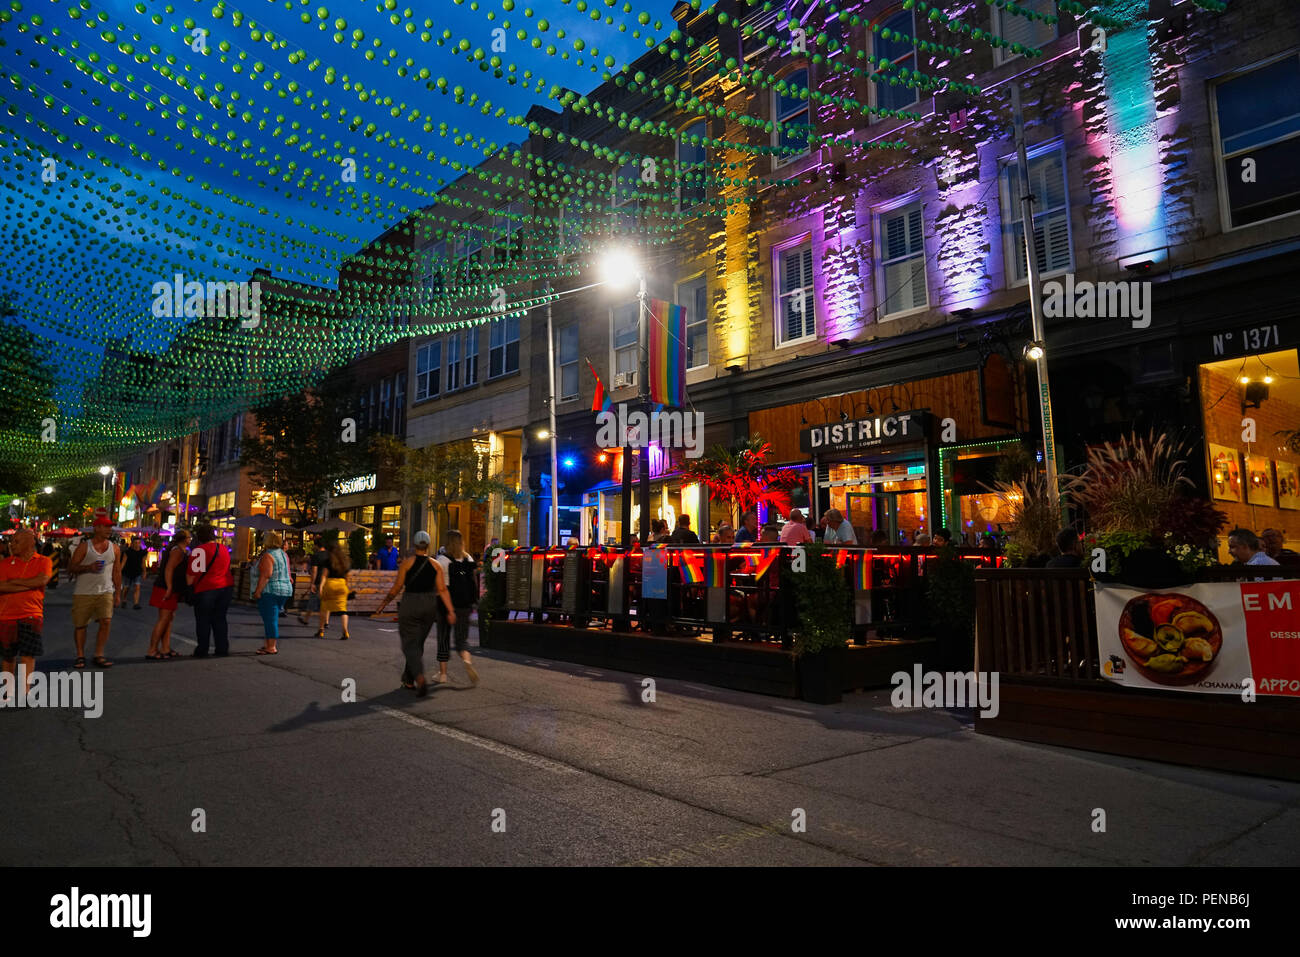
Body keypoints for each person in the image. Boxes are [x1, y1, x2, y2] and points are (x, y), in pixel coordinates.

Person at [375, 530, 455, 697]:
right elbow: (442, 590)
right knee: (417, 643)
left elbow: (396, 588)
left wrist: (383, 604)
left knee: (409, 643)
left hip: (410, 603)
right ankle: (408, 680)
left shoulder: (407, 563)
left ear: (414, 544)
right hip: (429, 605)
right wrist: (450, 610)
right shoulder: (436, 565)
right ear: (428, 545)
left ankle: (419, 677)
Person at [0, 528, 53, 701]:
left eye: (16, 541)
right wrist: (29, 584)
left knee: (28, 654)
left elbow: (42, 580)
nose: (11, 545)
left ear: (30, 542)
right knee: (8, 655)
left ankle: (25, 690)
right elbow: (1, 586)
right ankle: (8, 690)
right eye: (12, 541)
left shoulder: (44, 561)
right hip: (6, 615)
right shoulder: (4, 563)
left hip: (32, 613)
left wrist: (13, 582)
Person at [68, 516, 121, 669]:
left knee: (106, 621)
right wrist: (88, 567)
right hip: (83, 592)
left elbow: (117, 571)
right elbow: (72, 567)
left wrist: (117, 593)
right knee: (81, 625)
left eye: (110, 527)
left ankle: (99, 654)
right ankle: (80, 655)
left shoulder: (114, 548)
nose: (109, 530)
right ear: (96, 528)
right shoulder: (85, 547)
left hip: (105, 591)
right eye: (106, 527)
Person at [435, 530, 480, 686]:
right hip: (465, 604)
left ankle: (443, 674)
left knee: (443, 638)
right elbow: (474, 579)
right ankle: (467, 660)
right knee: (462, 639)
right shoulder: (468, 558)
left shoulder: (442, 560)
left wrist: (449, 610)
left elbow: (442, 587)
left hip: (446, 605)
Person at [187, 525, 234, 658]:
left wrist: (189, 588)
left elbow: (193, 575)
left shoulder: (200, 551)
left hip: (206, 588)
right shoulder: (223, 548)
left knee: (203, 620)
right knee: (220, 618)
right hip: (225, 588)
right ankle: (222, 648)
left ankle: (202, 649)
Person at [146, 529, 190, 659]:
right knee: (164, 619)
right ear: (184, 539)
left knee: (168, 619)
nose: (190, 539)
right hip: (166, 588)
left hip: (170, 588)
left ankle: (165, 648)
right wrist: (169, 586)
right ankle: (152, 649)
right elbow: (169, 569)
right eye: (189, 537)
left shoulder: (177, 550)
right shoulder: (177, 551)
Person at [250, 531, 294, 655]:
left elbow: (266, 575)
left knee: (270, 619)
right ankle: (267, 644)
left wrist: (258, 591)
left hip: (271, 590)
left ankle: (271, 647)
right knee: (271, 618)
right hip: (285, 590)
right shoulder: (284, 555)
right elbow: (288, 573)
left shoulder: (268, 556)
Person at [314, 541, 352, 639]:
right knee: (343, 610)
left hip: (330, 584)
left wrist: (321, 587)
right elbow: (348, 576)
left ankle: (321, 630)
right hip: (342, 585)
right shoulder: (345, 560)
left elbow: (324, 575)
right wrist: (347, 587)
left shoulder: (328, 560)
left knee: (324, 607)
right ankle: (345, 631)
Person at [298, 535, 330, 627]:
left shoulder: (316, 556)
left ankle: (306, 620)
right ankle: (326, 622)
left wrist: (312, 583)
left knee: (312, 601)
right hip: (327, 580)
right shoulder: (329, 555)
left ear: (317, 545)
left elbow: (314, 570)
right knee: (326, 602)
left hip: (318, 581)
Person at [120, 535, 146, 609]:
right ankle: (124, 600)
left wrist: (144, 572)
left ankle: (136, 603)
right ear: (132, 543)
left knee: (137, 587)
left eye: (138, 543)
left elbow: (143, 563)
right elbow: (123, 562)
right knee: (126, 588)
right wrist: (119, 571)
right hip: (128, 572)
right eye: (136, 543)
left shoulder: (142, 552)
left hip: (137, 572)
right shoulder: (128, 552)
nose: (137, 544)